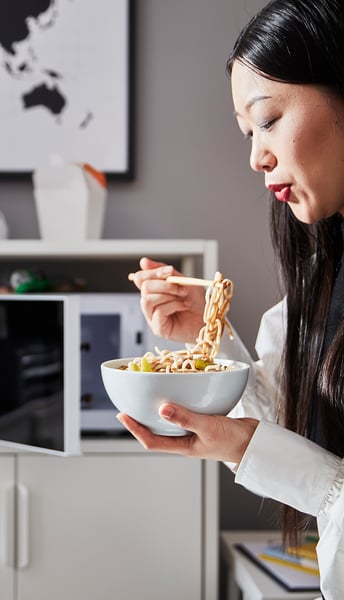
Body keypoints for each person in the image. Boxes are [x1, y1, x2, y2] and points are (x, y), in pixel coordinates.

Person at [118, 1, 344, 597]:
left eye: (268, 120)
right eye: (248, 134)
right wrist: (208, 336)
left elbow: (320, 480)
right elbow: (291, 429)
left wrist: (303, 477)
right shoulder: (324, 269)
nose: (255, 157)